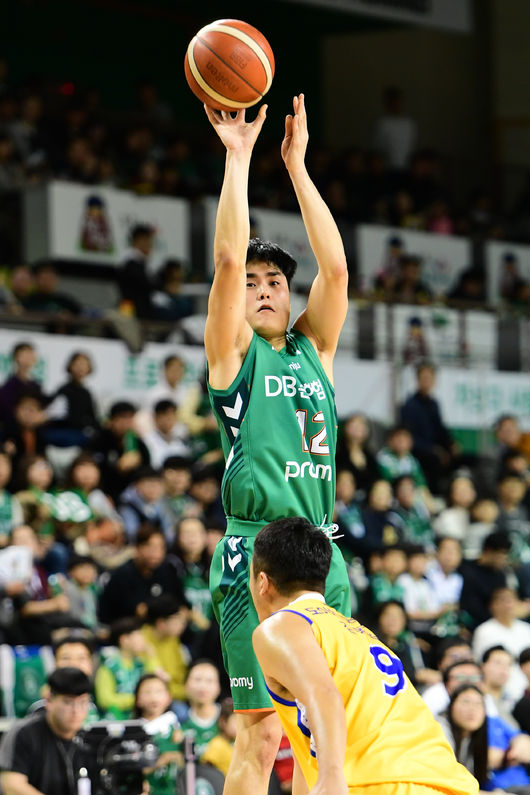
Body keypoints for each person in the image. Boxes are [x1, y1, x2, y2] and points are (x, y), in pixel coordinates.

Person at [204, 95, 351, 794]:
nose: (262, 288)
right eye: (255, 284)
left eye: (276, 282)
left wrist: (295, 164)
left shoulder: (314, 351)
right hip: (255, 555)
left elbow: (338, 270)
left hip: (322, 549)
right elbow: (230, 258)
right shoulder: (234, 354)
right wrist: (239, 157)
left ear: (291, 298)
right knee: (262, 731)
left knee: (336, 725)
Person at [250, 516, 478, 794]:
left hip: (379, 783)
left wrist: (331, 777)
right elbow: (306, 746)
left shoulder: (280, 626)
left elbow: (323, 694)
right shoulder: (357, 632)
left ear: (262, 582)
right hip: (444, 780)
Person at [0, 667, 93, 795]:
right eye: (68, 702)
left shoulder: (89, 738)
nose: (76, 711)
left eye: (83, 702)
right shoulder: (24, 733)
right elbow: (12, 786)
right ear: (49, 699)